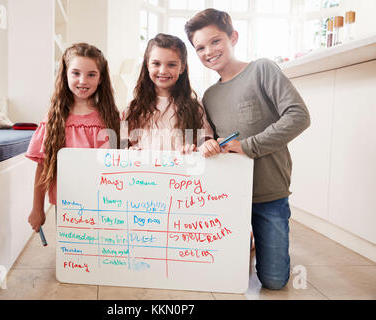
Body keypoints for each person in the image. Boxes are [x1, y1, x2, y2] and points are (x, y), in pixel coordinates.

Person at [185, 9, 310, 290]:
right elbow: (217, 144)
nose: (209, 52)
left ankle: (262, 243)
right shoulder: (210, 96)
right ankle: (250, 241)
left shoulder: (262, 69)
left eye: (215, 41)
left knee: (274, 281)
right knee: (227, 275)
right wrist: (209, 144)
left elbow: (299, 116)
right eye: (200, 47)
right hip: (231, 194)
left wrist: (248, 146)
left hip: (269, 193)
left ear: (233, 37)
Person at [26, 43, 120, 232]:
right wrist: (38, 208)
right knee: (73, 254)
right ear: (66, 75)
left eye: (91, 74)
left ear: (101, 78)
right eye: (76, 73)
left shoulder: (110, 117)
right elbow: (43, 166)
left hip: (104, 202)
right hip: (67, 199)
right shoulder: (54, 118)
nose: (83, 80)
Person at [121, 33, 213, 152]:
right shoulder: (134, 108)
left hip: (182, 169)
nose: (163, 71)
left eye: (171, 65)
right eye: (156, 64)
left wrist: (197, 148)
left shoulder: (195, 107)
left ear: (182, 68)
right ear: (147, 65)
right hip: (145, 169)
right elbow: (123, 145)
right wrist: (130, 150)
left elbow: (205, 142)